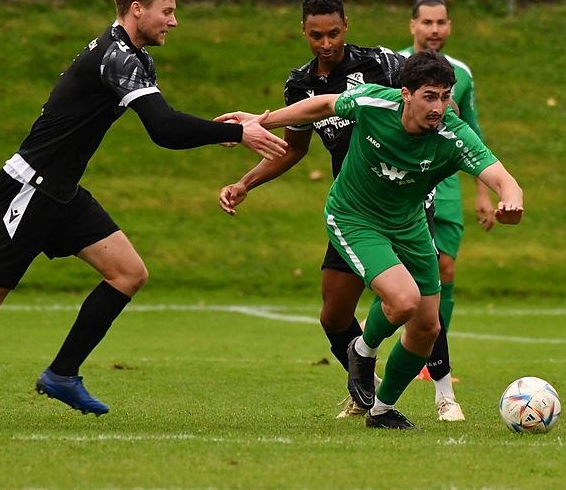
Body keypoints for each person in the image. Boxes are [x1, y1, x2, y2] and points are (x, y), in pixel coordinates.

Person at [0, 0, 287, 416]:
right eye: (167, 11)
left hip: (61, 192)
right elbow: (163, 129)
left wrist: (222, 130)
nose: (174, 21)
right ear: (137, 9)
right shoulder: (116, 57)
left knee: (128, 273)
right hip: (29, 189)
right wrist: (239, 134)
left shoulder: (134, 56)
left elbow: (167, 121)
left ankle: (62, 374)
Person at [220, 50, 523, 429]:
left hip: (409, 225)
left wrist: (511, 202)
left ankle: (381, 410)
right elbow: (323, 105)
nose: (439, 107)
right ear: (406, 94)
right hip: (355, 217)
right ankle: (362, 350)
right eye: (430, 96)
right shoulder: (374, 103)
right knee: (404, 300)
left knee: (427, 329)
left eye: (445, 97)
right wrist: (260, 120)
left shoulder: (453, 134)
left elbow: (503, 178)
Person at [219, 0, 464, 421]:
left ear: (346, 27)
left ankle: (444, 394)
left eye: (333, 33)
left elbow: (439, 102)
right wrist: (245, 183)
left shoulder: (382, 64)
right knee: (333, 315)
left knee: (420, 301)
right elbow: (293, 149)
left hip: (405, 200)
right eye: (316, 35)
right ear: (303, 32)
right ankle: (364, 386)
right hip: (355, 209)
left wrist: (440, 110)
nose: (326, 43)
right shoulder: (300, 85)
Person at [394, 0, 496, 419]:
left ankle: (431, 357)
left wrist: (483, 192)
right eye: (427, 22)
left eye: (441, 22)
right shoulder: (392, 65)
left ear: (449, 26)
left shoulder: (462, 74)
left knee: (444, 269)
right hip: (404, 180)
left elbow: (472, 134)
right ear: (412, 26)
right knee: (407, 280)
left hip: (446, 182)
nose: (434, 30)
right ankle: (404, 343)